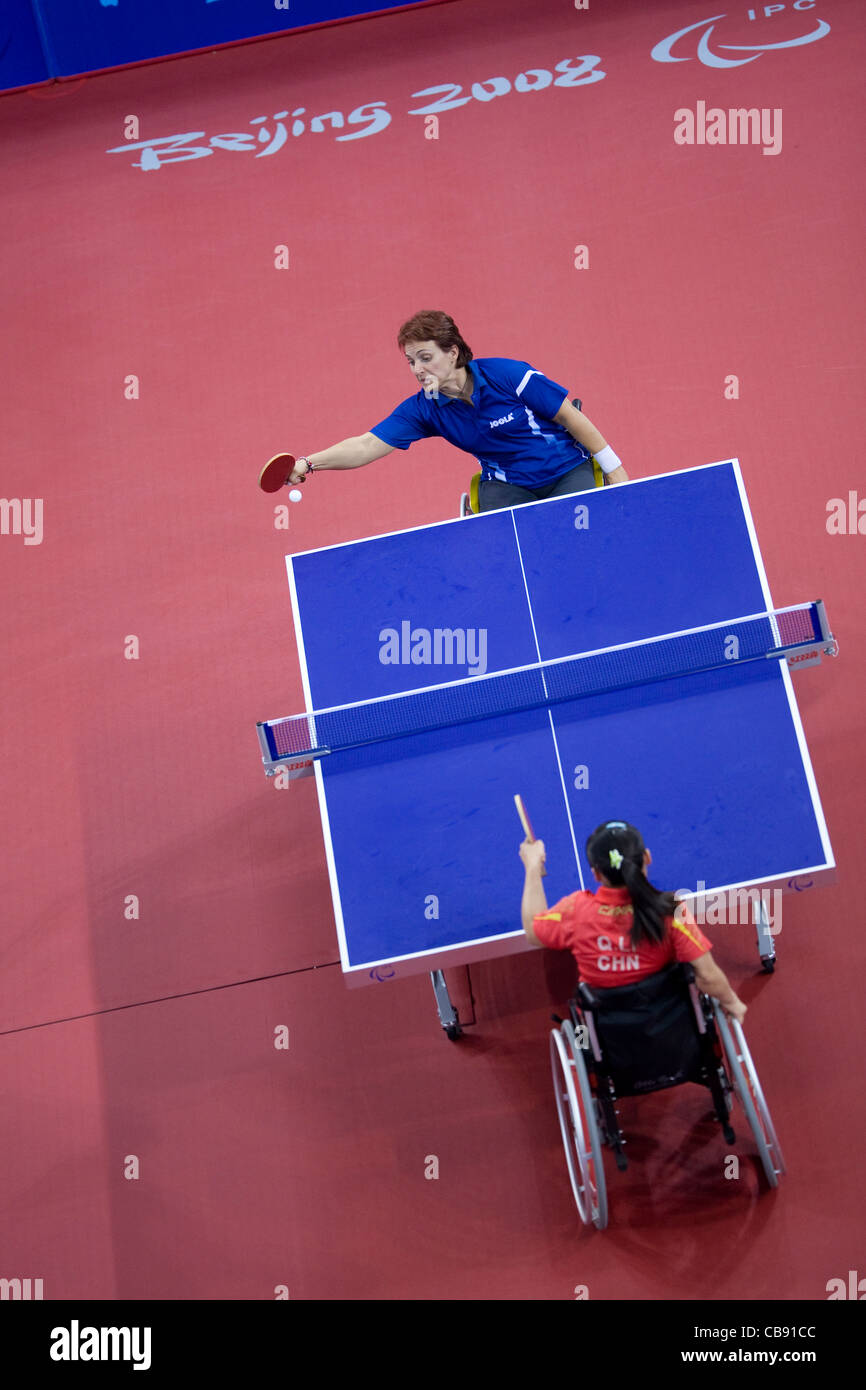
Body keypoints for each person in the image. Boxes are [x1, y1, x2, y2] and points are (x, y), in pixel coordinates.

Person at [283, 310, 628, 511]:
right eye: (411, 361)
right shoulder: (425, 409)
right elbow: (366, 445)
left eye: (426, 358)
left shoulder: (509, 375)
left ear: (452, 352)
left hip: (565, 471)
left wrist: (615, 471)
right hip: (510, 486)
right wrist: (308, 463)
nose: (418, 369)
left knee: (584, 539)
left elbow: (570, 415)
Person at [519, 820, 747, 1023]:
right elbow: (707, 976)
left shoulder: (576, 913)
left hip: (608, 1037)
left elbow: (532, 930)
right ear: (647, 857)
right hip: (672, 1028)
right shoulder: (669, 911)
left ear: (596, 874)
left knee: (581, 1030)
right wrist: (732, 1002)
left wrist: (532, 867)